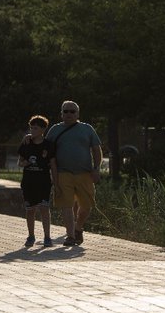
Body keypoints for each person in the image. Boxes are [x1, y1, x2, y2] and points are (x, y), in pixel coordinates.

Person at [46, 100, 103, 247]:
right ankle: (70, 236)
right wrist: (29, 138)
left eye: (72, 111)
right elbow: (44, 146)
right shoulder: (55, 130)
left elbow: (96, 150)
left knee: (87, 205)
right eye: (66, 111)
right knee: (66, 205)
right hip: (63, 173)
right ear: (61, 114)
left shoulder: (87, 129)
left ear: (78, 113)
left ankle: (78, 228)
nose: (69, 114)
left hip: (85, 173)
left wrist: (96, 168)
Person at [18, 115, 55, 248]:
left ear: (43, 129)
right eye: (31, 127)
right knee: (30, 210)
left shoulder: (48, 145)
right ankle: (31, 236)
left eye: (35, 128)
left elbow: (53, 164)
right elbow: (19, 162)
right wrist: (25, 162)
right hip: (28, 181)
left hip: (44, 181)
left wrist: (55, 181)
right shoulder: (26, 143)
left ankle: (47, 237)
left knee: (44, 209)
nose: (32, 130)